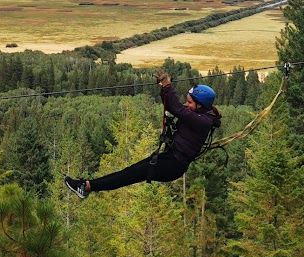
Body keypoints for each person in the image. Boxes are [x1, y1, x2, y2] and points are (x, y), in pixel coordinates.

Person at [64, 71, 221, 198]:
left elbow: (176, 108)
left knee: (129, 174)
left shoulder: (203, 122)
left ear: (200, 105)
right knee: (129, 172)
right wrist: (164, 88)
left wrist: (167, 86)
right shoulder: (201, 115)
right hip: (169, 159)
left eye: (190, 102)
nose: (187, 104)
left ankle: (86, 186)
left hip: (173, 165)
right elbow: (171, 105)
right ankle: (87, 186)